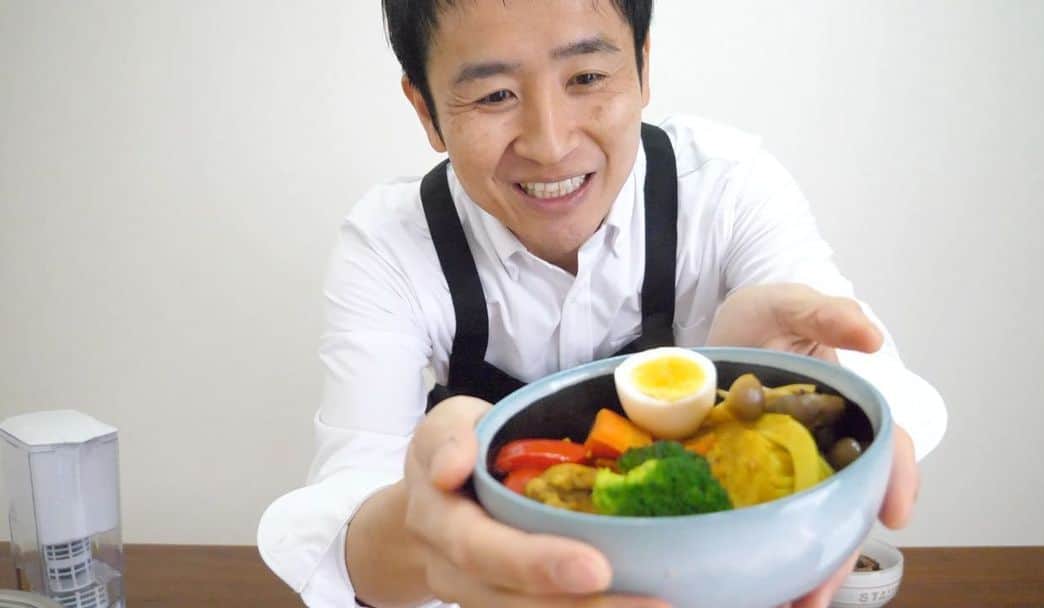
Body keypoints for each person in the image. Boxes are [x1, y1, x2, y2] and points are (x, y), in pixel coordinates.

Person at [257, 1, 947, 606]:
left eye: (586, 78)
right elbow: (343, 541)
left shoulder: (728, 190)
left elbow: (881, 392)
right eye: (494, 94)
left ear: (642, 67)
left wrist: (764, 371)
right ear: (425, 110)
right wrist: (428, 521)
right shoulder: (391, 246)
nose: (551, 143)